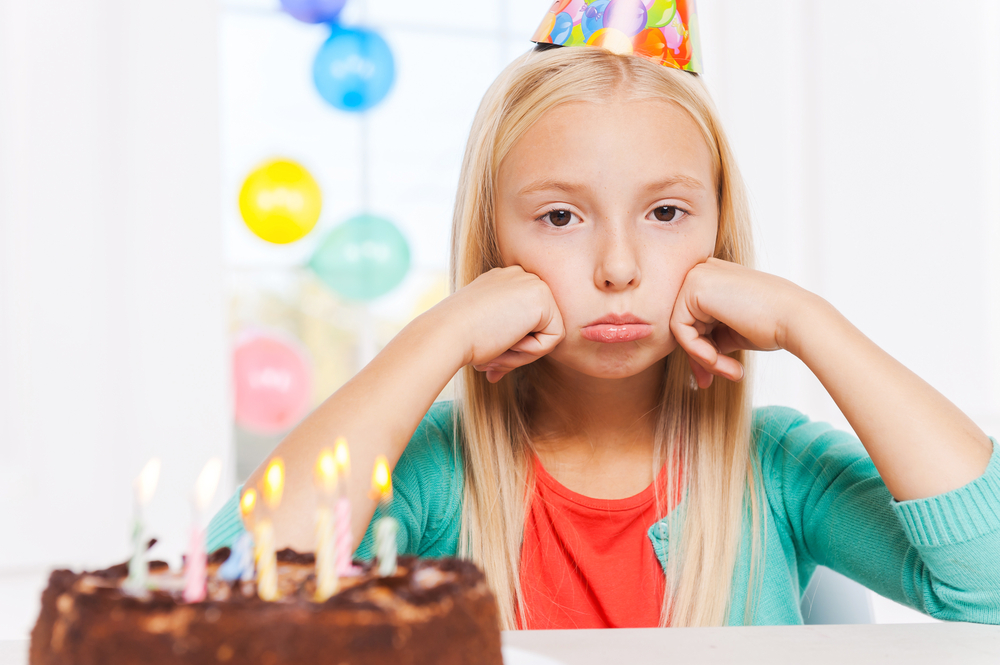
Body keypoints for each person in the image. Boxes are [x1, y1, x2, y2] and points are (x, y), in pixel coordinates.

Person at [207, 12, 1000, 630]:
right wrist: (438, 334)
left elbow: (988, 583)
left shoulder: (776, 468)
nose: (618, 266)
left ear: (719, 238)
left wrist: (807, 321)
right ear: (495, 247)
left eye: (664, 211)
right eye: (559, 216)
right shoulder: (438, 473)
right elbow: (239, 591)